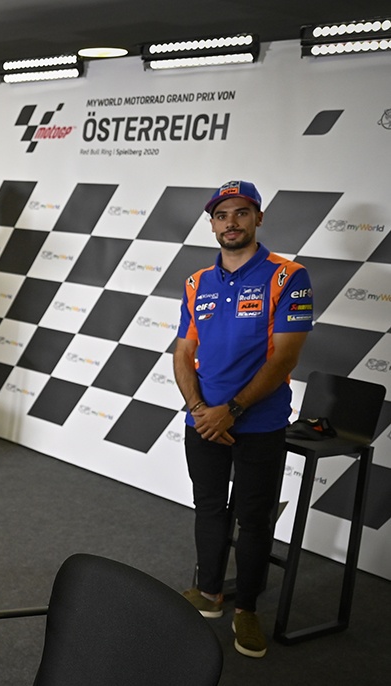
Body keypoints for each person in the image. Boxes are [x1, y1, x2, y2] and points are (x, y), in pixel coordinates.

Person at [174, 180, 313, 659]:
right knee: (209, 508)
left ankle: (247, 609)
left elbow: (283, 359)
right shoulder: (197, 282)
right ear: (211, 223)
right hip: (203, 423)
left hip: (259, 424)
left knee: (253, 519)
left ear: (257, 218)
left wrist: (229, 410)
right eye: (221, 215)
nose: (230, 222)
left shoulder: (287, 276)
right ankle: (210, 593)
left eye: (240, 213)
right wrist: (199, 412)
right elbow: (183, 350)